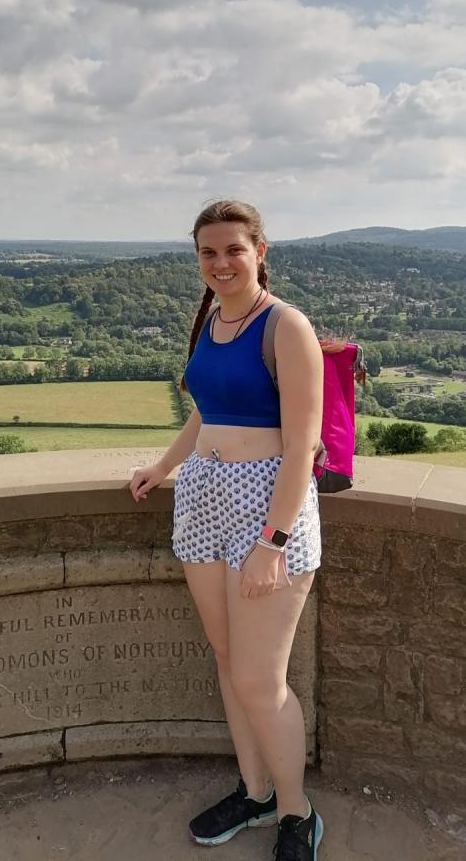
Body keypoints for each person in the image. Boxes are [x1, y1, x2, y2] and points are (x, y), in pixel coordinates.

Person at [130, 199, 324, 861]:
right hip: (203, 502)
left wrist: (272, 540)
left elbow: (302, 445)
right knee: (226, 660)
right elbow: (205, 413)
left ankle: (298, 813)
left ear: (260, 249)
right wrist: (163, 466)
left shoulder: (285, 326)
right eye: (208, 253)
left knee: (258, 678)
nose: (220, 263)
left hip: (267, 508)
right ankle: (256, 789)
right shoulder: (212, 319)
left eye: (233, 249)